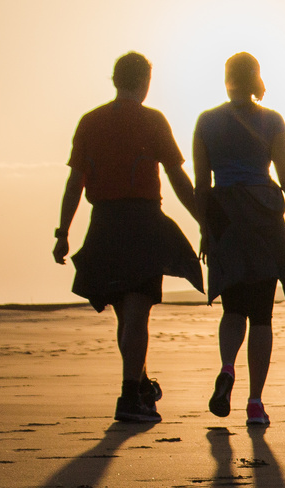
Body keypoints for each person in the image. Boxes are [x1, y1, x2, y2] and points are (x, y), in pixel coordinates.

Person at [54, 52, 203, 424]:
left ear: (115, 79)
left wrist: (63, 232)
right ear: (145, 82)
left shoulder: (90, 122)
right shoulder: (152, 120)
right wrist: (205, 220)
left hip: (103, 223)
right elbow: (177, 178)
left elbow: (76, 182)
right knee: (136, 313)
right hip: (141, 222)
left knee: (126, 315)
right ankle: (129, 396)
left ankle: (139, 385)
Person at [193, 52, 285, 426]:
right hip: (263, 215)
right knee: (262, 314)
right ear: (256, 78)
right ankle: (254, 402)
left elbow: (202, 185)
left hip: (225, 217)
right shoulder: (272, 120)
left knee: (234, 308)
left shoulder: (206, 121)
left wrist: (205, 228)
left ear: (227, 79)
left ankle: (228, 368)